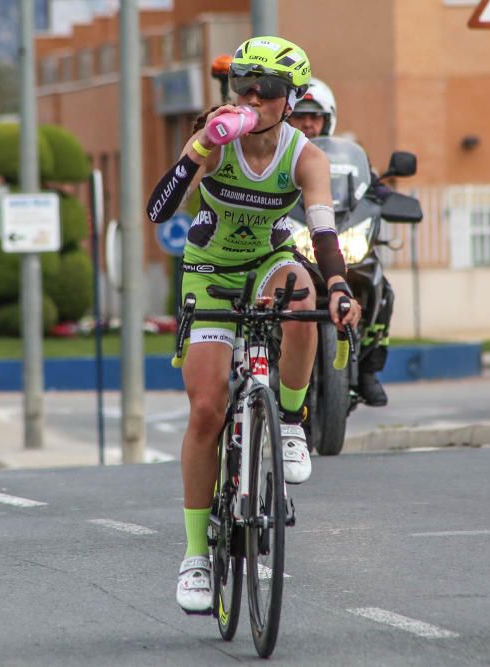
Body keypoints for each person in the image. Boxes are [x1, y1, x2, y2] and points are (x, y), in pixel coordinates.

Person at [147, 35, 361, 614]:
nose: (251, 98)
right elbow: (157, 210)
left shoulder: (304, 155)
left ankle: (290, 420)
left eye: (265, 90)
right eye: (242, 86)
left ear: (290, 100)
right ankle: (195, 555)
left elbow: (321, 234)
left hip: (267, 263)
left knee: (302, 290)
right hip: (208, 271)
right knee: (207, 409)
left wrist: (339, 286)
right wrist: (197, 150)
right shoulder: (216, 140)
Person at [286, 77, 392, 406]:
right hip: (294, 247)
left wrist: (389, 201)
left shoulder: (347, 161)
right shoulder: (280, 156)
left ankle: (369, 370)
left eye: (314, 116)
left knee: (382, 287)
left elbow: (372, 190)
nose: (307, 123)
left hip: (338, 242)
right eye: (300, 115)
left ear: (328, 120)